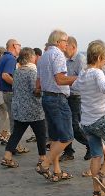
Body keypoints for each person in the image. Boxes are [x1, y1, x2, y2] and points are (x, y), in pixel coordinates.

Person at [72, 41, 105, 196]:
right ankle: (103, 173)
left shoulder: (83, 73)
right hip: (100, 119)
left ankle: (96, 193)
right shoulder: (97, 72)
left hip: (87, 123)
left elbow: (74, 86)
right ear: (100, 57)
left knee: (96, 155)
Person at [35, 29, 76, 182]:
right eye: (66, 41)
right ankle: (45, 164)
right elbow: (60, 79)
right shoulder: (58, 55)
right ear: (58, 42)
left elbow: (37, 83)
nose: (67, 44)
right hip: (58, 99)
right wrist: (79, 78)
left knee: (55, 137)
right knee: (67, 136)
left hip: (47, 98)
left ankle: (57, 171)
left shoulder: (44, 56)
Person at [1, 47, 46, 168]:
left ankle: (7, 155)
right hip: (33, 109)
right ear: (31, 57)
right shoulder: (32, 72)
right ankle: (42, 158)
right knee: (41, 134)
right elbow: (35, 91)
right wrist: (42, 90)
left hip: (20, 108)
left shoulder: (17, 71)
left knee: (16, 133)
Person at [60, 36, 91, 161]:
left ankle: (90, 145)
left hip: (76, 97)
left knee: (74, 125)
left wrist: (64, 81)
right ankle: (68, 151)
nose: (63, 49)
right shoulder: (65, 60)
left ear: (73, 46)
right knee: (65, 124)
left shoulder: (81, 59)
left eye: (65, 46)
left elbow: (83, 79)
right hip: (66, 95)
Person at [25, 47, 43, 143]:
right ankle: (36, 135)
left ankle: (42, 137)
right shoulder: (33, 67)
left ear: (37, 56)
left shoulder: (38, 66)